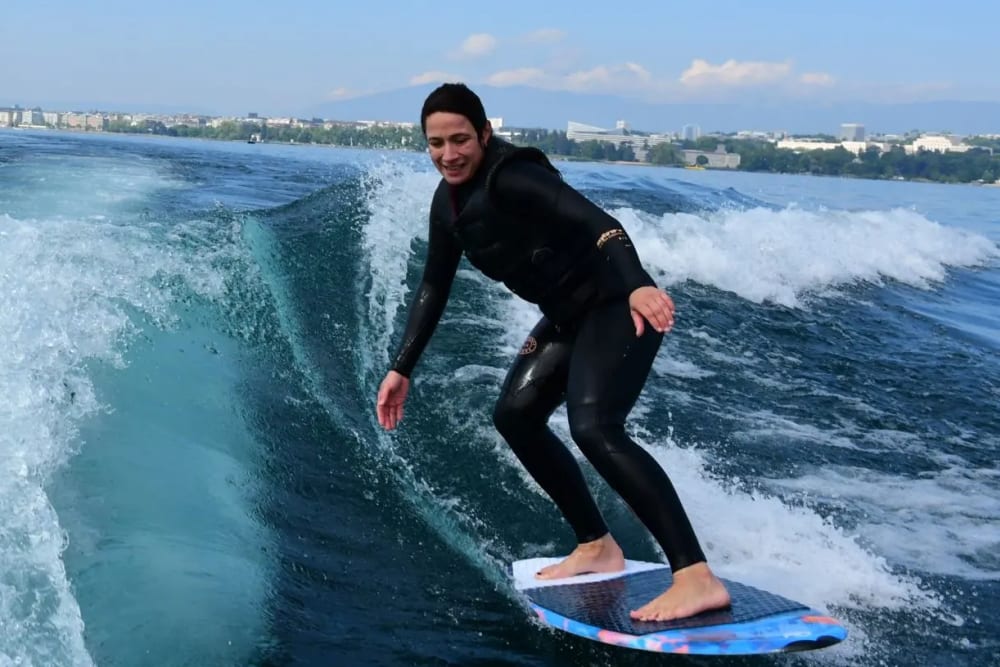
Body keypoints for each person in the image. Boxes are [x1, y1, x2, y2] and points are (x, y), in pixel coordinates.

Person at [376, 83, 730, 622]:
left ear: (485, 134)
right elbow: (433, 286)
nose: (448, 154)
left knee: (595, 427)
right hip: (570, 317)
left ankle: (694, 575)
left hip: (617, 304)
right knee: (516, 415)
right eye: (435, 143)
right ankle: (596, 546)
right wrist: (402, 368)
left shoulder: (515, 176)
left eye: (460, 139)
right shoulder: (448, 205)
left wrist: (636, 284)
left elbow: (602, 227)